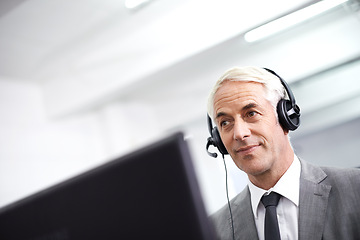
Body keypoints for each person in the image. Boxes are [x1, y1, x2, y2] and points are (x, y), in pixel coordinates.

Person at [206, 66, 360, 240]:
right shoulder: (213, 230)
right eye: (225, 123)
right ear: (217, 139)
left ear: (286, 117)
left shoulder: (355, 188)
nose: (239, 133)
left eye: (251, 113)